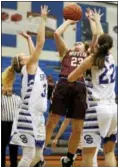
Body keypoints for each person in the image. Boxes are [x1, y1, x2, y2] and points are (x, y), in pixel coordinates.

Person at [46, 7, 103, 167]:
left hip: (81, 87)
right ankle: (39, 153)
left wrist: (92, 20)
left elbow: (97, 36)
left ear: (85, 48)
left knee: (78, 127)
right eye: (75, 42)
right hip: (64, 83)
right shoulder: (66, 52)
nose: (76, 43)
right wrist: (68, 22)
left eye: (79, 42)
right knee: (52, 120)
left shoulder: (89, 54)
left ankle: (70, 158)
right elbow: (56, 34)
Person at [9, 5, 49, 167]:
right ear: (21, 62)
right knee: (29, 155)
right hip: (28, 115)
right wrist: (43, 19)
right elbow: (41, 43)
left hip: (38, 116)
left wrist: (28, 39)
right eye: (22, 55)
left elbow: (35, 51)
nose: (25, 54)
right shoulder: (28, 67)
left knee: (39, 156)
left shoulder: (33, 66)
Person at [68, 33, 117, 167]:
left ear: (97, 45)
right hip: (113, 109)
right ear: (110, 46)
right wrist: (95, 21)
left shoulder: (92, 59)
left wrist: (83, 71)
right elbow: (102, 38)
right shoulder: (111, 58)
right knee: (109, 153)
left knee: (88, 154)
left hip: (97, 109)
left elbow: (70, 78)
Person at [1, 69, 21, 167]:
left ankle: (14, 165)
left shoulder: (17, 98)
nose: (8, 88)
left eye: (10, 86)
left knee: (14, 147)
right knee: (2, 147)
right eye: (6, 86)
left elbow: (20, 112)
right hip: (3, 124)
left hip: (14, 125)